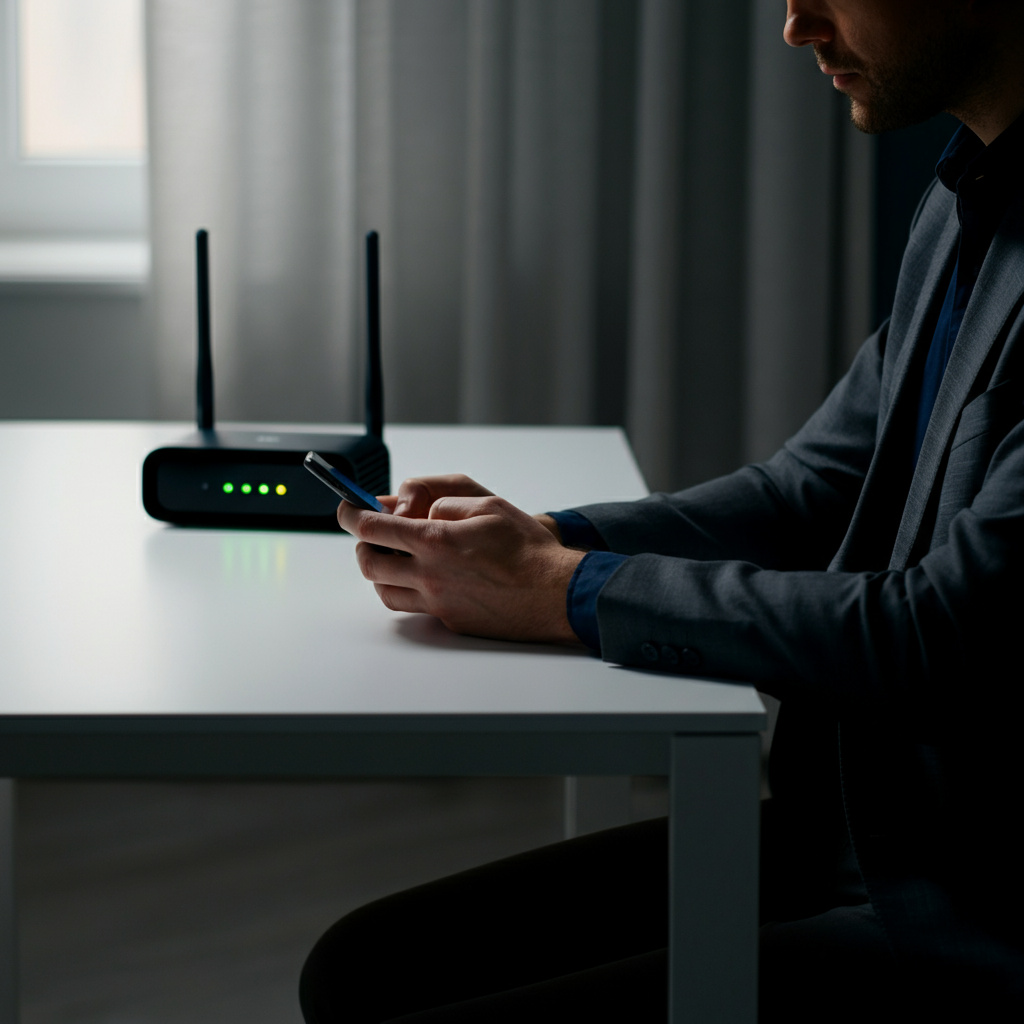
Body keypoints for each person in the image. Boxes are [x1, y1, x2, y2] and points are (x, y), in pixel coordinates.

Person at [300, 0, 1024, 1020]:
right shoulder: (966, 194)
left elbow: (939, 637)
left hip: (972, 911)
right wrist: (541, 542)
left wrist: (566, 591)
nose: (794, 25)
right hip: (858, 826)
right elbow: (809, 490)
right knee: (359, 970)